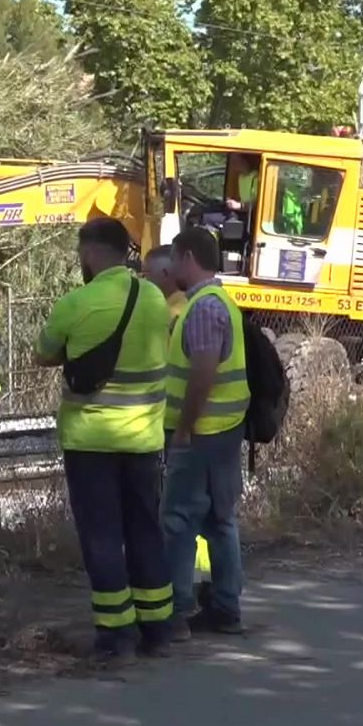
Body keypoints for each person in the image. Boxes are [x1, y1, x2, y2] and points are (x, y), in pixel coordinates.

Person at [33, 218, 174, 662]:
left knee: (102, 537)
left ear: (91, 252)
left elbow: (43, 354)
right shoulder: (154, 298)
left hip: (90, 441)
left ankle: (116, 637)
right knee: (146, 531)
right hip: (145, 440)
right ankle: (158, 629)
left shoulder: (76, 303)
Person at [163, 227, 250, 635]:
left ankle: (176, 608)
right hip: (224, 431)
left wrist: (184, 427)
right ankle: (225, 606)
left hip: (201, 434)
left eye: (174, 260)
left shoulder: (202, 308)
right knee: (220, 519)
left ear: (188, 257)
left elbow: (202, 372)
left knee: (179, 519)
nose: (170, 269)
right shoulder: (221, 303)